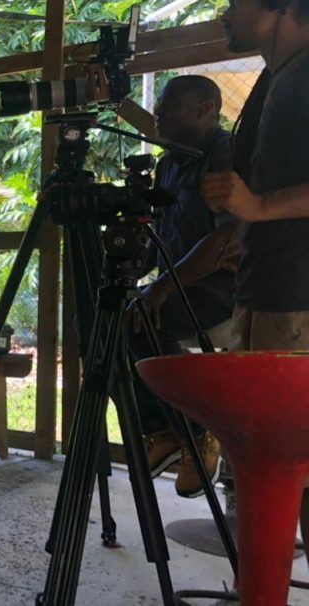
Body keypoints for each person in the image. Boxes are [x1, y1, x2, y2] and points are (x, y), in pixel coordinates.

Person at [200, 0, 309, 570]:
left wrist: (260, 207)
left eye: (238, 2)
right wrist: (248, 224)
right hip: (268, 291)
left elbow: (269, 199)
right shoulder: (277, 77)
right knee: (269, 469)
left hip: (297, 301)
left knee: (294, 469)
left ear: (283, 6)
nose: (227, 13)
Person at [129, 75, 234, 498]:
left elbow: (224, 240)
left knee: (144, 319)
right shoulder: (168, 164)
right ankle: (164, 432)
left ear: (206, 109)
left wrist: (161, 287)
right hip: (177, 285)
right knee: (106, 320)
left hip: (222, 290)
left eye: (169, 104)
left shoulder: (225, 153)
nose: (158, 112)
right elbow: (160, 235)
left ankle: (198, 434)